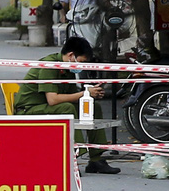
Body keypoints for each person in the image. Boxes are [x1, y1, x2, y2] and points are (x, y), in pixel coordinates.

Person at [14, 35, 119, 174]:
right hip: (29, 109)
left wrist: (90, 94)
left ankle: (97, 159)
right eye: (80, 62)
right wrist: (83, 94)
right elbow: (53, 100)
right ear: (71, 56)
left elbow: (70, 97)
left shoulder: (67, 69)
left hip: (48, 107)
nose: (80, 67)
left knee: (94, 107)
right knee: (67, 109)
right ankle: (72, 157)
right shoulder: (49, 66)